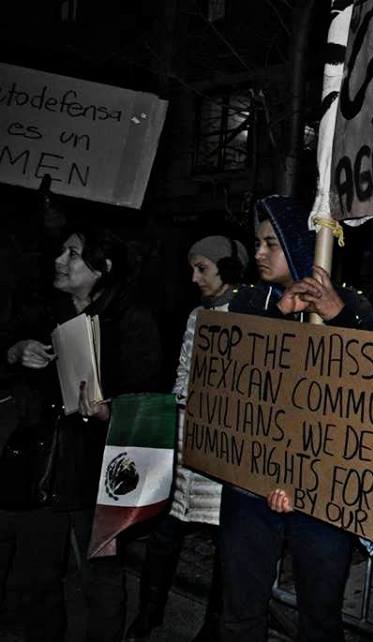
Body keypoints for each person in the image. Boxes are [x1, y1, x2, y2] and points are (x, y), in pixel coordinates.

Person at [218, 195, 373, 642]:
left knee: (320, 618)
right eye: (257, 242)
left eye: (272, 243)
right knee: (240, 609)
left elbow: (371, 388)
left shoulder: (356, 308)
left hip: (322, 492)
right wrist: (277, 318)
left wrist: (339, 317)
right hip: (249, 484)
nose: (259, 253)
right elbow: (235, 376)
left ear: (301, 246)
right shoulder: (248, 303)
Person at [1, 226, 162, 642]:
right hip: (45, 460)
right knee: (37, 570)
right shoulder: (43, 309)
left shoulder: (133, 318)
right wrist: (16, 351)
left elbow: (150, 396)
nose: (59, 260)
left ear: (102, 268)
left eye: (72, 254)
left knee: (101, 573)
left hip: (102, 467)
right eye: (61, 251)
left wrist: (113, 410)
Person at [125, 235, 249, 641]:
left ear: (228, 270)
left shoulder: (250, 315)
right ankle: (149, 613)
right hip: (185, 441)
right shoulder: (197, 314)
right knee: (165, 532)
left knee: (223, 545)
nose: (195, 277)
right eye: (193, 268)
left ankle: (212, 627)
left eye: (203, 269)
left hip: (224, 447)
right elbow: (183, 370)